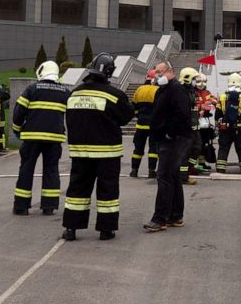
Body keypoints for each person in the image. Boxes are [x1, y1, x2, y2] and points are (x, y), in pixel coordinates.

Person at [61, 53, 134, 241]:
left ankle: (71, 228)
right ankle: (106, 229)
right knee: (108, 192)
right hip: (107, 154)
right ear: (109, 73)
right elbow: (125, 117)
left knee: (77, 190)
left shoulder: (74, 93)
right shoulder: (115, 95)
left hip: (80, 153)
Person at [11, 61, 68, 216]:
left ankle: (21, 206)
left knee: (26, 170)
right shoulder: (64, 91)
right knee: (51, 170)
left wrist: (17, 131)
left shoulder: (31, 89)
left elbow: (18, 113)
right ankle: (49, 206)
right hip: (54, 139)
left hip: (31, 138)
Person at [143, 61, 193, 233]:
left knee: (164, 176)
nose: (156, 75)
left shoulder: (176, 89)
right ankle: (175, 215)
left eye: (159, 72)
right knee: (172, 176)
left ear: (170, 72)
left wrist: (169, 134)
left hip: (174, 139)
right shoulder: (165, 89)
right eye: (155, 72)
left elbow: (182, 114)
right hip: (170, 138)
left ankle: (160, 218)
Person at [215, 72, 241, 176]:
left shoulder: (222, 97)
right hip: (240, 128)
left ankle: (220, 170)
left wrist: (217, 125)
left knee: (223, 149)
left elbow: (217, 113)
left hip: (225, 128)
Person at [129, 69, 158, 178]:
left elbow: (134, 107)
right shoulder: (158, 90)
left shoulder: (139, 89)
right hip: (154, 125)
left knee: (138, 149)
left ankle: (134, 170)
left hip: (140, 125)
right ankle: (151, 171)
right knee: (153, 149)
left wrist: (139, 115)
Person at [177, 67, 201, 185]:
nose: (195, 81)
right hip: (187, 129)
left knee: (197, 148)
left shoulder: (191, 91)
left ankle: (187, 169)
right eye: (194, 79)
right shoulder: (182, 92)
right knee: (184, 153)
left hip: (194, 128)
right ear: (187, 79)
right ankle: (183, 177)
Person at [193, 75, 218, 170]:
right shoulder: (193, 92)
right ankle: (194, 164)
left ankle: (202, 163)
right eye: (199, 82)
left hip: (205, 122)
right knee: (196, 144)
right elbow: (193, 104)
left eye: (203, 82)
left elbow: (213, 99)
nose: (201, 84)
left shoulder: (207, 92)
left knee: (204, 142)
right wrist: (201, 106)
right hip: (196, 120)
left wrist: (214, 101)